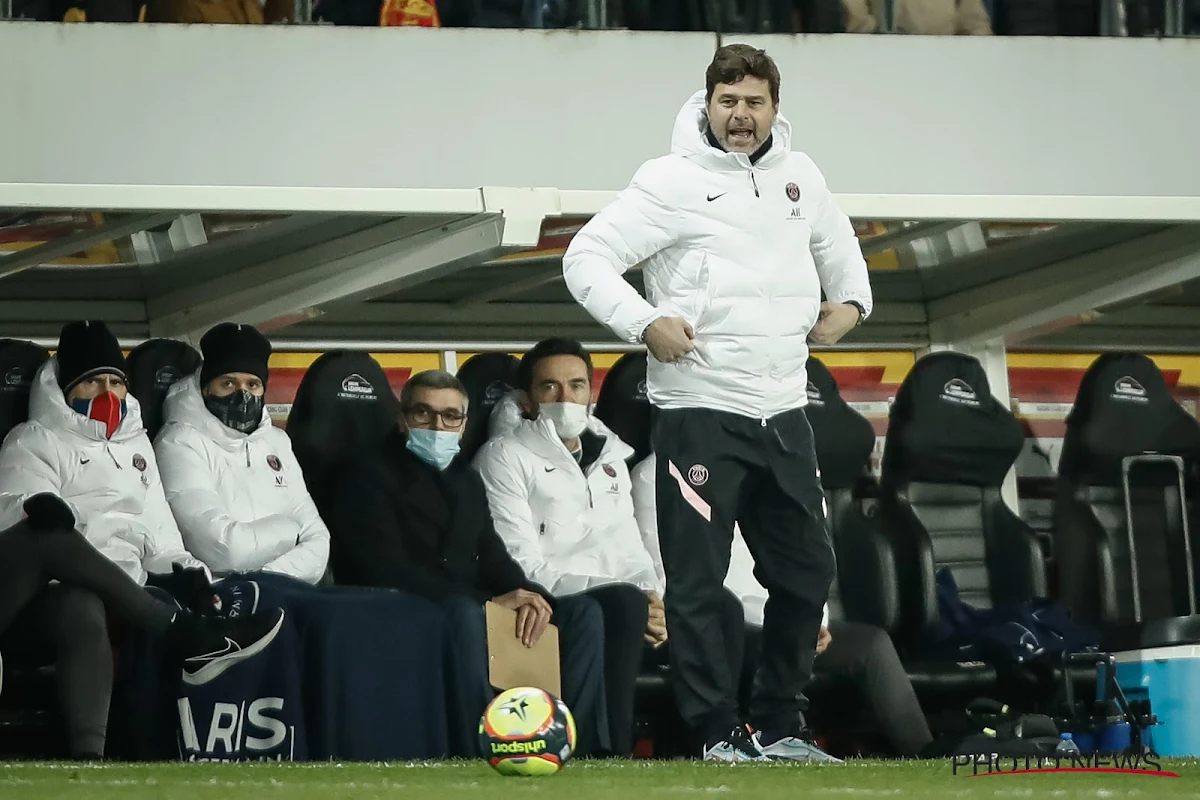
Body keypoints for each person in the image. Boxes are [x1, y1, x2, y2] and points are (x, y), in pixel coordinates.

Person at [562, 44, 874, 761]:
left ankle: (781, 723)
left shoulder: (803, 178)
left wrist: (852, 302)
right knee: (698, 585)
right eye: (728, 101)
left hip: (785, 412)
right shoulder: (669, 181)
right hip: (700, 412)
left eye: (754, 102)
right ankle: (714, 733)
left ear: (774, 106)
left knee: (807, 574)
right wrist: (644, 323)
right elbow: (584, 257)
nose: (741, 116)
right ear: (708, 102)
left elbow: (842, 246)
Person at [476, 338, 739, 757]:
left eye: (577, 386)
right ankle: (610, 754)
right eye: (550, 388)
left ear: (591, 394)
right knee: (622, 603)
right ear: (527, 399)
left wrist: (656, 601)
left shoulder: (612, 458)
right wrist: (631, 598)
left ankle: (706, 749)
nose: (566, 398)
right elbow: (518, 562)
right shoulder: (502, 457)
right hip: (552, 603)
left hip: (623, 602)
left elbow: (631, 549)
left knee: (718, 604)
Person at [328, 369, 611, 758]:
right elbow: (384, 566)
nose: (436, 425)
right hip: (400, 606)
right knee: (465, 612)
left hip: (466, 603)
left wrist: (526, 595)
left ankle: (578, 747)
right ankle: (478, 748)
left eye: (450, 417)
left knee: (582, 613)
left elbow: (492, 554)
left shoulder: (465, 478)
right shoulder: (366, 474)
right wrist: (489, 602)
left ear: (464, 426)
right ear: (401, 418)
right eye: (422, 413)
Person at [632, 452, 934, 758]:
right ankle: (769, 742)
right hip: (731, 625)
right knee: (736, 623)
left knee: (872, 644)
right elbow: (671, 576)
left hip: (783, 620)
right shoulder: (657, 473)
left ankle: (927, 757)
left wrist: (816, 621)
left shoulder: (768, 467)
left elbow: (798, 562)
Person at [155, 323, 330, 585]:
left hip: (286, 590)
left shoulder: (277, 443)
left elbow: (318, 541)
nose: (243, 395)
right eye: (228, 383)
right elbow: (225, 550)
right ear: (206, 388)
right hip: (220, 598)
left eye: (253, 384)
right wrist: (290, 530)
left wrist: (265, 582)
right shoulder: (179, 443)